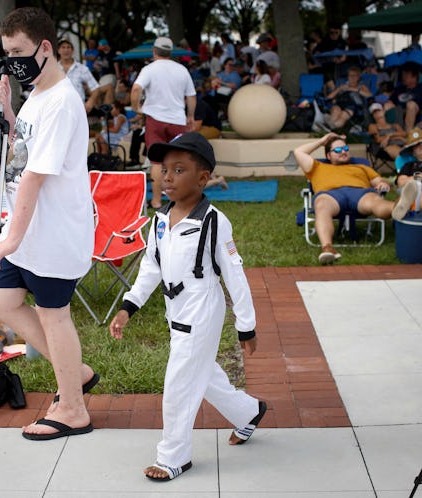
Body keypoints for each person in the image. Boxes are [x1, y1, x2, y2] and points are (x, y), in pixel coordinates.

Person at [109, 132, 265, 482]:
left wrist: (246, 326)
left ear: (203, 178)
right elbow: (151, 268)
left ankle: (173, 456)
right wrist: (128, 307)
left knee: (179, 382)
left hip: (202, 312)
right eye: (165, 170)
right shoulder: (160, 221)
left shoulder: (213, 222)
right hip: (174, 311)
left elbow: (235, 276)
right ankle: (249, 412)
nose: (168, 178)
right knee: (203, 374)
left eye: (179, 170)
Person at [0, 6, 96, 440]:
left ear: (45, 48)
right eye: (6, 52)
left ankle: (72, 409)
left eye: (19, 51)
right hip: (29, 231)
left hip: (52, 232)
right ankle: (75, 374)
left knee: (53, 316)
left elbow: (32, 177)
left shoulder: (62, 102)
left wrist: (9, 239)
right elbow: (23, 148)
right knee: (5, 304)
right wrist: (9, 110)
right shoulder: (36, 95)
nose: (11, 60)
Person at [294, 133, 419, 264]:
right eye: (337, 150)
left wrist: (382, 183)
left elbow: (379, 181)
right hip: (330, 195)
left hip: (360, 193)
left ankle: (398, 206)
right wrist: (322, 141)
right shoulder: (317, 167)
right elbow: (298, 152)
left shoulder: (362, 167)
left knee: (375, 201)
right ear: (328, 156)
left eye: (345, 149)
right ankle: (327, 248)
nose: (343, 152)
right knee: (322, 206)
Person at [131, 36, 197, 209]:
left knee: (156, 161)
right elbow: (191, 96)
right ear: (170, 52)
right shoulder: (182, 70)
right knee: (180, 161)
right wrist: (190, 116)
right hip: (177, 120)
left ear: (154, 51)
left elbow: (136, 88)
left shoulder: (149, 69)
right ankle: (181, 200)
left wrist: (136, 107)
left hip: (155, 119)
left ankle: (156, 200)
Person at [57, 37, 100, 114]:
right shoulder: (53, 69)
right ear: (58, 50)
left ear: (72, 50)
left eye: (68, 47)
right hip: (58, 110)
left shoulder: (82, 69)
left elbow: (95, 88)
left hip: (77, 110)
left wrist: (91, 101)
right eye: (63, 47)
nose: (66, 50)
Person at [324, 66, 372, 130]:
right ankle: (329, 127)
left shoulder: (361, 86)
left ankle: (329, 128)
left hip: (352, 106)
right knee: (336, 110)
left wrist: (354, 89)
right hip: (339, 104)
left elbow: (369, 95)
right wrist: (339, 89)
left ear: (358, 77)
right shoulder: (343, 85)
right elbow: (329, 97)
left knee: (343, 115)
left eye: (354, 75)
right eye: (350, 75)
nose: (352, 77)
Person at [383, 63, 422, 131]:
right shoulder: (399, 89)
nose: (403, 77)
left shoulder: (421, 89)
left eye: (406, 76)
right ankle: (384, 130)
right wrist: (388, 104)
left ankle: (408, 133)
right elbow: (390, 101)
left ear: (414, 77)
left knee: (411, 104)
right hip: (399, 112)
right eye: (403, 75)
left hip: (414, 112)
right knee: (387, 105)